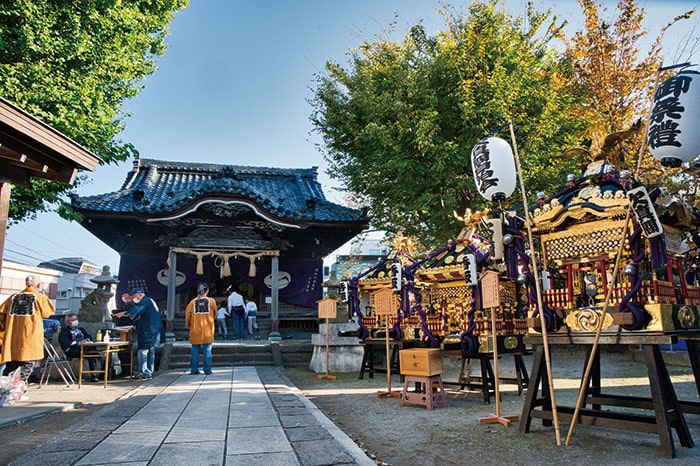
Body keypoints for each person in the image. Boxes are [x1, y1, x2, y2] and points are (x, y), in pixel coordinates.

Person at [0, 275, 55, 383]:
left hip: (12, 338)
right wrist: (44, 296)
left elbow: (1, 313)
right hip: (30, 338)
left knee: (11, 367)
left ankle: (6, 388)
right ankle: (16, 390)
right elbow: (48, 312)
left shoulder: (13, 297)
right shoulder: (39, 297)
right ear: (38, 285)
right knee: (26, 367)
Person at [114, 287, 163, 380]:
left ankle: (144, 372)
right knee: (151, 351)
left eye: (134, 296)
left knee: (143, 351)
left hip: (148, 329)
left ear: (140, 294)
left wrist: (124, 314)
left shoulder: (145, 301)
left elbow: (137, 310)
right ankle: (149, 371)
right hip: (154, 330)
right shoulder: (150, 301)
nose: (133, 299)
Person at [185, 283, 217, 375]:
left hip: (195, 329)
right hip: (207, 329)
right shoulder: (211, 301)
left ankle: (194, 369)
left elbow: (188, 316)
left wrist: (189, 324)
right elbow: (215, 313)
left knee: (195, 350)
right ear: (207, 291)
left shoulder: (192, 302)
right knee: (207, 350)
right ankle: (207, 369)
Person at [58, 313, 100, 382]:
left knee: (91, 354)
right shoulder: (64, 331)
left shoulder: (81, 329)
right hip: (72, 351)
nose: (76, 321)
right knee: (90, 350)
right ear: (68, 322)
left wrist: (87, 340)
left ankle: (93, 375)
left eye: (76, 319)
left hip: (84, 349)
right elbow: (65, 343)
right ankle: (101, 360)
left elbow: (89, 337)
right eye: (74, 320)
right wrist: (78, 343)